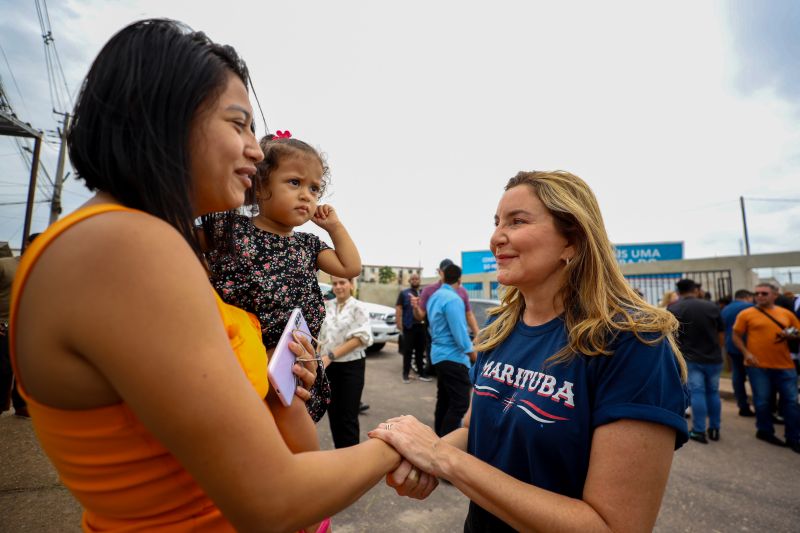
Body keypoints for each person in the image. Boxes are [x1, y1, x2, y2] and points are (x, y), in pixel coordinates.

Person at [10, 20, 433, 532]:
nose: (255, 152)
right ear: (162, 117)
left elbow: (285, 453)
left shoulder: (136, 241)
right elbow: (272, 500)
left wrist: (289, 391)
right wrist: (406, 443)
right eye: (238, 125)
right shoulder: (123, 246)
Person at [371, 170, 688, 531]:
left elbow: (613, 526)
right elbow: (473, 431)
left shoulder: (632, 343)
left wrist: (441, 457)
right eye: (496, 222)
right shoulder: (499, 330)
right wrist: (419, 457)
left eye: (517, 221)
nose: (496, 237)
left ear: (572, 241)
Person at [204, 131, 361, 421]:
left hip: (292, 363)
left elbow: (350, 267)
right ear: (260, 187)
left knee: (290, 434)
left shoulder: (307, 245)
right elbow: (179, 236)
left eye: (315, 189)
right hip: (240, 359)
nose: (306, 195)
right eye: (294, 182)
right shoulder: (230, 229)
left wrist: (334, 227)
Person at [732, 283, 800, 453]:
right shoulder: (746, 314)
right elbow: (736, 335)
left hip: (784, 364)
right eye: (757, 293)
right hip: (757, 365)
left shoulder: (786, 314)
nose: (760, 296)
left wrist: (790, 335)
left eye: (764, 293)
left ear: (775, 295)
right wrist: (746, 353)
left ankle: (793, 436)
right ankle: (764, 430)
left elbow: (798, 331)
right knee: (762, 400)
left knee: (791, 401)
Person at [318, 276, 373, 448]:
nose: (338, 286)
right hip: (328, 367)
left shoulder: (359, 307)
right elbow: (321, 336)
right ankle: (340, 456)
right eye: (335, 283)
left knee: (347, 416)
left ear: (351, 284)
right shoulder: (327, 306)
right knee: (333, 415)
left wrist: (330, 356)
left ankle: (352, 462)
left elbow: (360, 338)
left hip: (350, 367)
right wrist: (319, 357)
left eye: (342, 282)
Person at [668, 279, 724, 443]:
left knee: (697, 392)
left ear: (678, 291)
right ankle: (714, 428)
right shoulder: (711, 306)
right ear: (695, 290)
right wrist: (717, 349)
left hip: (690, 358)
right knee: (713, 392)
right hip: (713, 357)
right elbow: (721, 334)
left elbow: (671, 337)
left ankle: (699, 430)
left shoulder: (675, 308)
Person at [426, 263, 475, 437]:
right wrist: (472, 353)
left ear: (443, 277)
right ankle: (445, 444)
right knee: (460, 404)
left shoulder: (435, 296)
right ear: (460, 280)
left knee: (445, 401)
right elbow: (460, 333)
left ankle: (438, 438)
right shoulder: (453, 299)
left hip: (438, 355)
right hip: (453, 358)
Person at [0, 233, 38, 417]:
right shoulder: (5, 265)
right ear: (27, 243)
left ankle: (21, 404)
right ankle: (1, 404)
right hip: (3, 323)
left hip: (27, 326)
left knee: (26, 368)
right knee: (4, 368)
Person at [721, 289, 755, 416]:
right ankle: (761, 406)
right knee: (755, 377)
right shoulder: (751, 307)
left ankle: (742, 405)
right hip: (749, 347)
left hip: (731, 346)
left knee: (738, 376)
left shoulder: (726, 309)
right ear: (747, 297)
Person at [396, 272, 431, 383]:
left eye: (417, 278)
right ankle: (405, 374)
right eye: (413, 279)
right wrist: (399, 323)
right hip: (409, 326)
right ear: (410, 281)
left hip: (422, 327)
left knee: (420, 351)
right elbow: (399, 308)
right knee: (408, 351)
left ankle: (421, 373)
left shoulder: (423, 293)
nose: (415, 280)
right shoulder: (404, 293)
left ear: (420, 280)